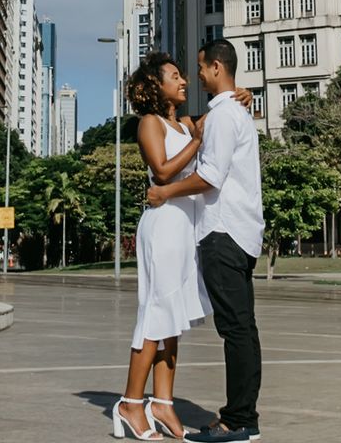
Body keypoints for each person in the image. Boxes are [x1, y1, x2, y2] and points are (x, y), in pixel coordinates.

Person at [147, 40, 264, 443]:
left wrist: (165, 193)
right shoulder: (230, 112)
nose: (195, 75)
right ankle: (242, 415)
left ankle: (239, 421)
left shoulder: (223, 116)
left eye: (199, 68)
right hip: (240, 232)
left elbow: (210, 176)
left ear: (216, 68)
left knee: (235, 328)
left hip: (223, 231)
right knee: (242, 328)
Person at [112, 52, 212, 440]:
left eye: (184, 75)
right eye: (174, 76)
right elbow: (163, 171)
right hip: (163, 227)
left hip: (185, 227)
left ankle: (163, 403)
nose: (184, 81)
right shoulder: (150, 124)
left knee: (174, 320)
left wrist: (242, 97)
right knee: (156, 315)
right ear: (156, 85)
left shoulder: (185, 124)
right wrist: (198, 139)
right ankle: (130, 403)